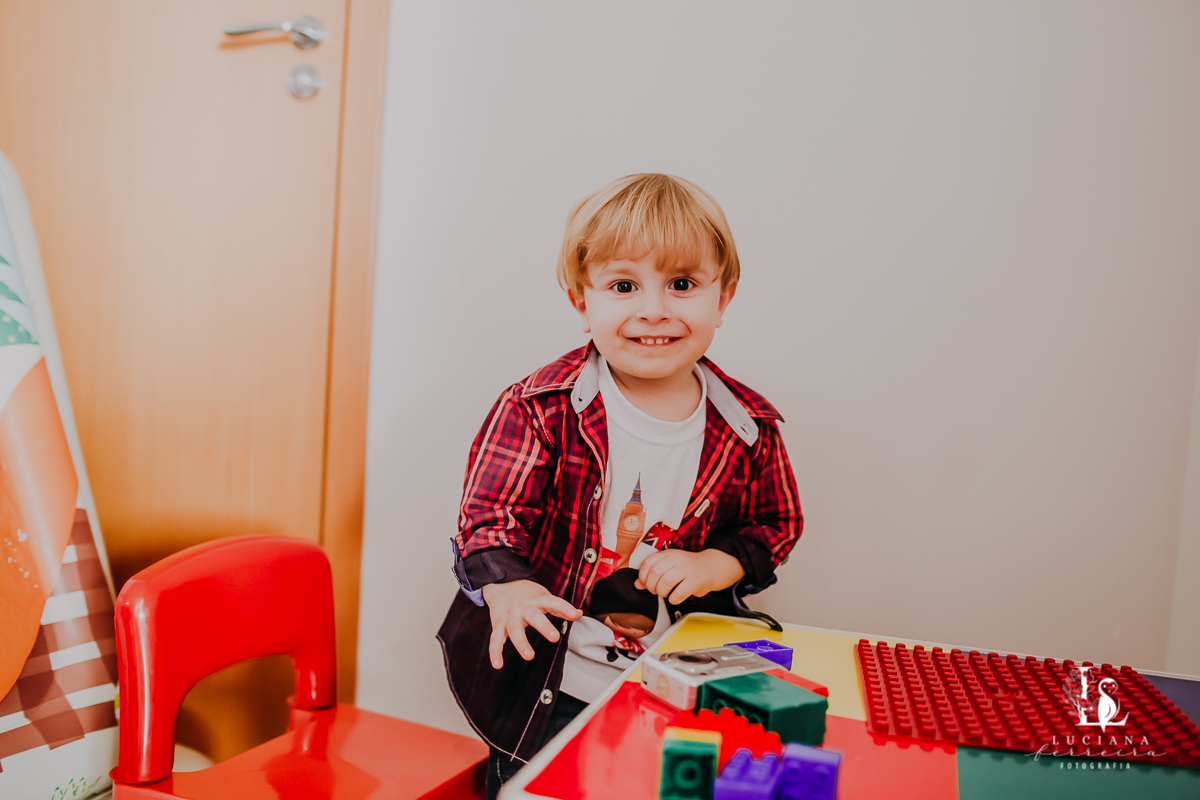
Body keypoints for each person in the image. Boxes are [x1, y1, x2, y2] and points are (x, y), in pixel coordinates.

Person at [438, 174, 803, 800]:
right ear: (582, 301)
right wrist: (510, 586)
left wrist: (714, 564)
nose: (654, 309)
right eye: (624, 286)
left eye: (682, 284)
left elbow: (774, 524)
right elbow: (489, 519)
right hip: (549, 686)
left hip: (678, 683)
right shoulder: (540, 407)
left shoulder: (748, 427)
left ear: (723, 298)